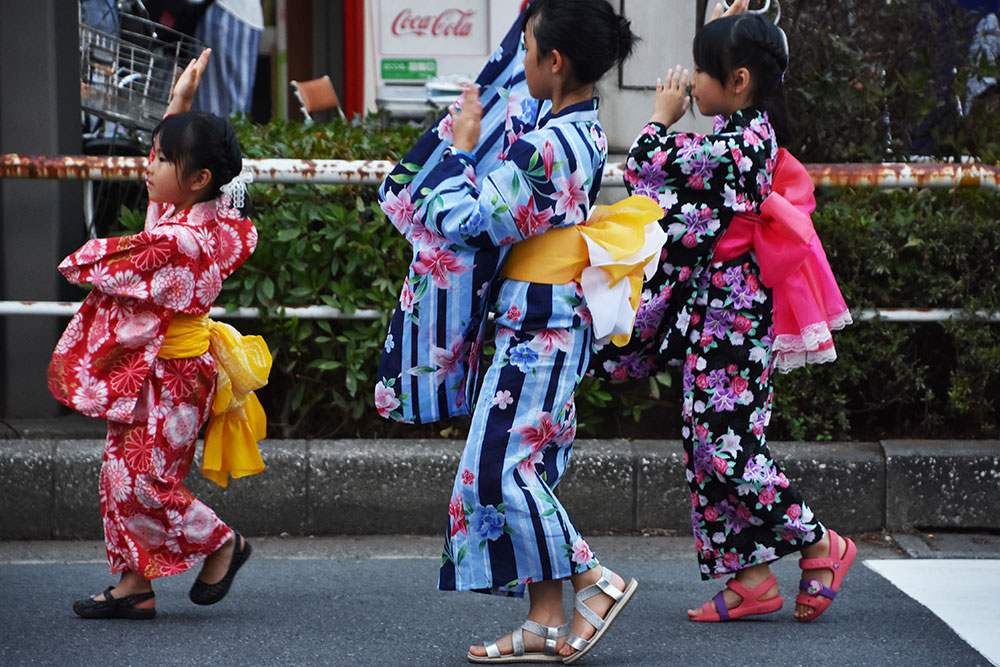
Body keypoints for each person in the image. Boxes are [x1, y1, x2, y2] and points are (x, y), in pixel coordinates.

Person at [374, 0, 661, 661]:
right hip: (549, 315)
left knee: (502, 470)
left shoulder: (549, 144)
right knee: (523, 465)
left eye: (528, 49)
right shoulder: (570, 131)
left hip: (539, 319)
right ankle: (544, 618)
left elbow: (474, 220)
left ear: (553, 62)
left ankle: (595, 578)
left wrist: (458, 149)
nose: (520, 61)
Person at [595, 2, 858, 623]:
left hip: (737, 322)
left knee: (728, 446)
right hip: (717, 321)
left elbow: (651, 169)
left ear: (737, 82)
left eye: (701, 71)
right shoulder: (743, 135)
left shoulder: (743, 145)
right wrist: (725, 28)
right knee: (703, 442)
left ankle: (821, 541)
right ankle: (751, 577)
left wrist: (659, 119)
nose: (690, 82)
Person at [48, 50, 269, 619]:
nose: (149, 166)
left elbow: (89, 262)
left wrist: (74, 260)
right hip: (157, 371)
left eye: (162, 159)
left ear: (197, 179)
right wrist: (179, 105)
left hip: (172, 377)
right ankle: (133, 586)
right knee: (118, 475)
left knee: (147, 479)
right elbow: (160, 196)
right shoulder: (200, 215)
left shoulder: (181, 241)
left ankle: (223, 542)